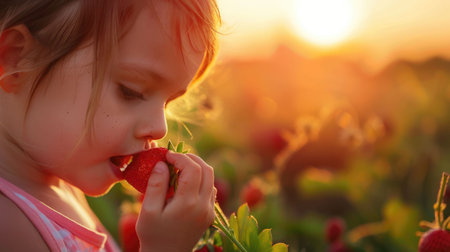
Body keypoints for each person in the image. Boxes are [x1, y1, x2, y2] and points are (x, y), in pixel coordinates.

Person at [0, 0, 220, 251]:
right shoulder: (8, 228)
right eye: (131, 92)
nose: (160, 128)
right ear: (17, 59)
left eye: (168, 102)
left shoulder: (63, 186)